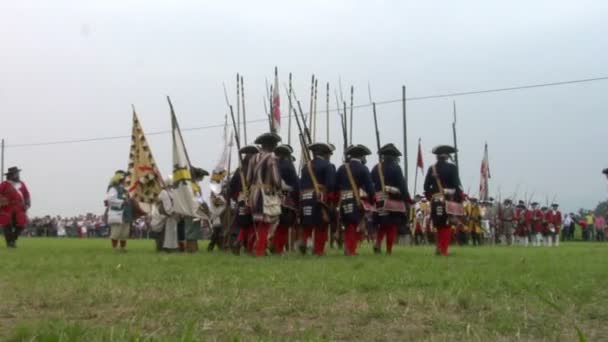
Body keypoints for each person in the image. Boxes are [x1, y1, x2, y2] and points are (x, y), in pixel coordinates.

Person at [247, 132, 283, 257]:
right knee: (265, 223)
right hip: (266, 194)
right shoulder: (271, 158)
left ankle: (253, 247)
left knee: (257, 223)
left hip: (254, 193)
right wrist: (279, 187)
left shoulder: (252, 158)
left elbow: (248, 179)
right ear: (271, 145)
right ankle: (259, 250)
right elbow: (276, 179)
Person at [371, 143, 411, 255]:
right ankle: (389, 250)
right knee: (391, 226)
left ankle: (378, 242)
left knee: (382, 224)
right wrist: (406, 197)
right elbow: (402, 186)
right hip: (393, 199)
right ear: (394, 156)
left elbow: (371, 183)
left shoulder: (376, 167)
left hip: (379, 200)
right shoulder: (396, 168)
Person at [423, 145, 463, 256]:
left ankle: (438, 247)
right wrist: (459, 198)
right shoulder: (452, 168)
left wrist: (432, 195)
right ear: (447, 156)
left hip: (435, 200)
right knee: (446, 225)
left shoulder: (432, 168)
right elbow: (456, 185)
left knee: (438, 224)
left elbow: (426, 187)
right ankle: (444, 250)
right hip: (448, 200)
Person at [336, 145, 375, 256]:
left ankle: (349, 248)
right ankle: (350, 249)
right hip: (355, 199)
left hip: (343, 200)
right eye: (364, 156)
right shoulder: (363, 168)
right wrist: (372, 200)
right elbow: (369, 187)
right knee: (353, 224)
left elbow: (335, 185)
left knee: (348, 224)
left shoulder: (342, 168)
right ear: (361, 156)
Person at [299, 142, 336, 256]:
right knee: (321, 225)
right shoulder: (327, 165)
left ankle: (304, 242)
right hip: (319, 197)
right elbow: (330, 185)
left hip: (305, 198)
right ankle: (318, 250)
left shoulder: (306, 166)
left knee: (307, 223)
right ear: (325, 154)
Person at [229, 145, 259, 254]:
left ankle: (239, 242)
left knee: (245, 224)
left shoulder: (239, 170)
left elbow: (231, 186)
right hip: (253, 198)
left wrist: (236, 197)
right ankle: (247, 246)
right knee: (252, 224)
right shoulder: (255, 169)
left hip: (241, 199)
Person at [273, 144, 299, 255]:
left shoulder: (272, 164)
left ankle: (275, 246)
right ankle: (278, 248)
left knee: (274, 225)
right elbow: (296, 183)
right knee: (283, 225)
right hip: (285, 198)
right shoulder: (288, 165)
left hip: (271, 198)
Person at [0, 167, 31, 248]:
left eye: (17, 173)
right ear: (10, 175)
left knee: (21, 225)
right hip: (7, 208)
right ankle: (10, 243)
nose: (17, 175)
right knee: (7, 225)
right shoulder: (5, 184)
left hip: (19, 208)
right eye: (15, 173)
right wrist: (2, 201)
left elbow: (26, 195)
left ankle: (13, 239)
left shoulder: (22, 184)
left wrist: (27, 203)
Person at [105, 170, 135, 252]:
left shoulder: (125, 189)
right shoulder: (113, 189)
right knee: (116, 232)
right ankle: (115, 248)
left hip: (126, 213)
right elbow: (110, 200)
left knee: (124, 233)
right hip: (118, 213)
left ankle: (123, 248)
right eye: (124, 178)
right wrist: (122, 201)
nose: (126, 179)